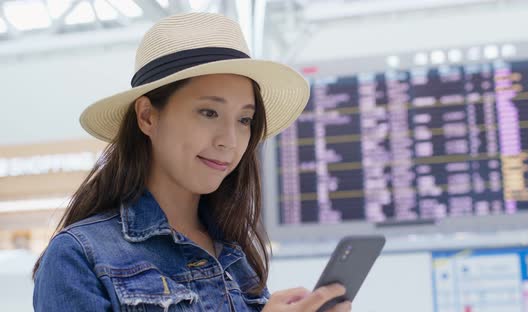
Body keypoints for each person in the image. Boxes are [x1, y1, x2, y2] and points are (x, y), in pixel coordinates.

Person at [32, 12, 351, 312]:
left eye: (244, 119)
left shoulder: (235, 254)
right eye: (209, 113)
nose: (229, 139)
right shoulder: (78, 256)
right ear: (146, 117)